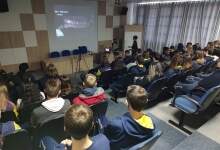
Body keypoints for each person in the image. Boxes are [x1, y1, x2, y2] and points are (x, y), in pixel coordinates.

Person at [104, 85, 155, 150]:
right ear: (146, 101)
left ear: (126, 102)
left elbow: (105, 135)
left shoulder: (115, 123)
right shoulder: (150, 122)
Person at [40, 105, 110, 150]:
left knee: (46, 139)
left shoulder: (60, 147)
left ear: (65, 128)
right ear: (92, 125)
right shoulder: (104, 140)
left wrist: (61, 145)